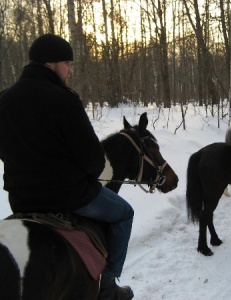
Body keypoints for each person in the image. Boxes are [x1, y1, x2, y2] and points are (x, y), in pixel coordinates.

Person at [0, 34, 134, 300]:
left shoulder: (3, 99)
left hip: (21, 199)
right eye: (68, 64)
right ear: (51, 63)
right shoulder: (63, 99)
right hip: (69, 197)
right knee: (124, 214)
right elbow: (94, 161)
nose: (70, 71)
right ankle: (108, 286)